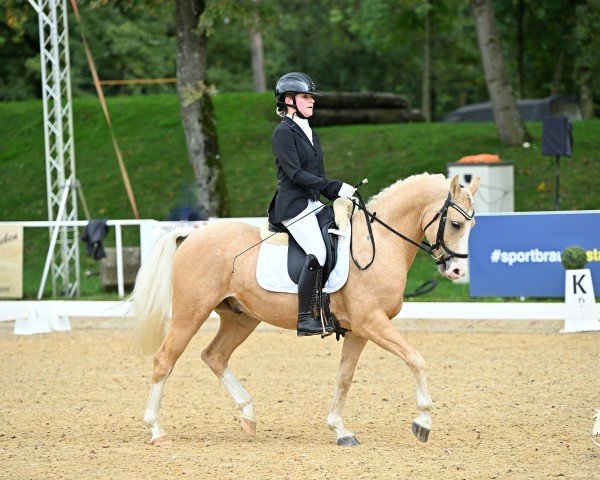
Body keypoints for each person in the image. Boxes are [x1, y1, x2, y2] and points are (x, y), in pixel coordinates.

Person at [267, 72, 356, 337]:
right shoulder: (283, 133)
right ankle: (306, 317)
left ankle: (331, 304)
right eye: (306, 97)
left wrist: (338, 197)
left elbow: (317, 175)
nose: (311, 101)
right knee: (317, 251)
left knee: (339, 237)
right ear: (288, 100)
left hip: (313, 204)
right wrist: (334, 186)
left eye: (311, 97)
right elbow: (295, 174)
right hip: (293, 206)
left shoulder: (309, 131)